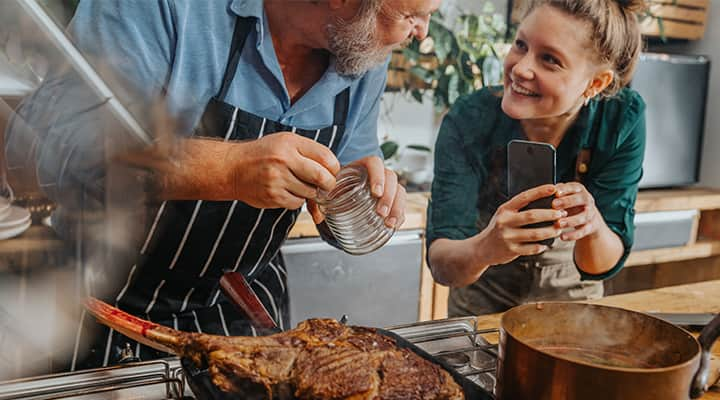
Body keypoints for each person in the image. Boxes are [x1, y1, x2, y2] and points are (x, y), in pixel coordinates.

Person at [5, 0, 440, 370]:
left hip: (239, 311)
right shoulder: (167, 9)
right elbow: (52, 148)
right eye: (409, 15)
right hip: (97, 305)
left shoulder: (359, 57)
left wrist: (357, 198)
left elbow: (348, 169)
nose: (421, 34)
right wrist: (228, 169)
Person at [426, 0, 646, 316]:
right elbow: (442, 265)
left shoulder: (621, 117)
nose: (519, 68)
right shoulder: (470, 117)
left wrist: (592, 223)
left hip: (569, 311)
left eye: (549, 60)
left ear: (596, 84)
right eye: (520, 45)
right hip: (479, 309)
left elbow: (601, 266)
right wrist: (486, 248)